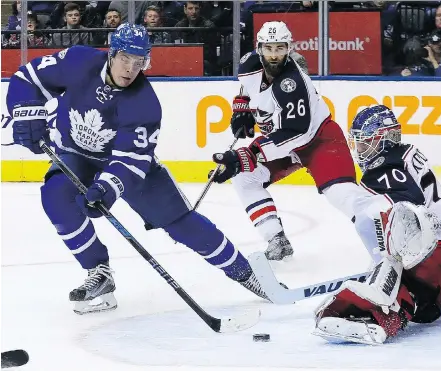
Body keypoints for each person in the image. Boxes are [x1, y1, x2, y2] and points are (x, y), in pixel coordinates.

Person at [7, 23, 270, 315]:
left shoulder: (145, 104)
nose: (130, 68)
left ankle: (247, 274)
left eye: (139, 62)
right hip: (74, 154)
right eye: (125, 59)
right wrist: (26, 113)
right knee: (55, 197)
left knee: (181, 223)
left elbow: (130, 161)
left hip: (127, 166)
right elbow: (27, 78)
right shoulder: (78, 60)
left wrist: (107, 189)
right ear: (112, 53)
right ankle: (99, 272)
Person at [209, 21, 373, 261]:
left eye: (279, 48)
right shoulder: (249, 65)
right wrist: (241, 108)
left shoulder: (293, 83)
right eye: (269, 48)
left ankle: (386, 231)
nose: (274, 55)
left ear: (289, 49)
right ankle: (276, 239)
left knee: (340, 194)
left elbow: (298, 132)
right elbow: (247, 88)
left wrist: (251, 154)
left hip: (319, 141)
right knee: (244, 177)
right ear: (259, 48)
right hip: (283, 145)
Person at [313, 105, 441, 344]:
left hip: (439, 250)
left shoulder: (385, 168)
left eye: (364, 141)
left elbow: (406, 216)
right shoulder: (407, 154)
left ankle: (373, 316)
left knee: (391, 252)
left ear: (383, 139)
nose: (359, 149)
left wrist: (382, 266)